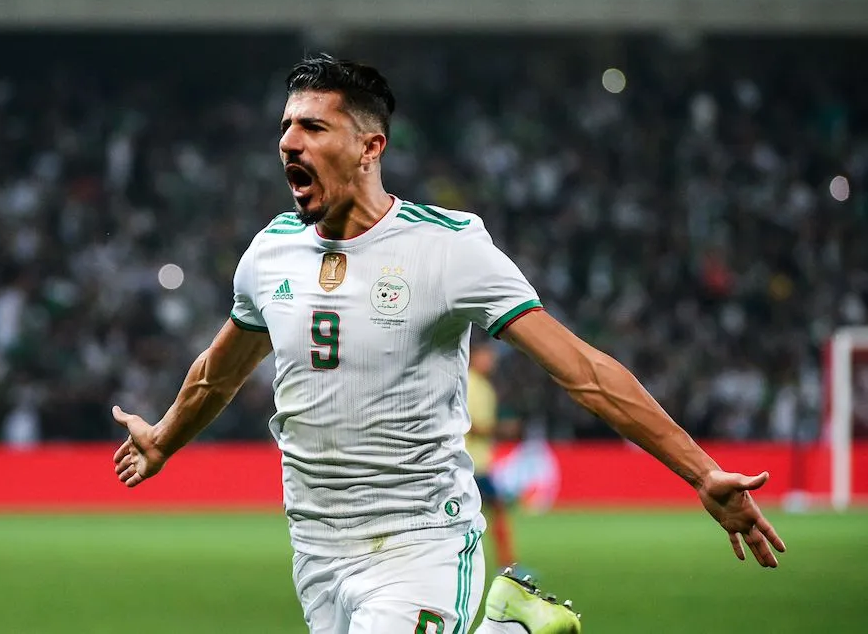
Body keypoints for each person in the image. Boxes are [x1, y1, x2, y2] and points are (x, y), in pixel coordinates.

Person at [111, 54, 786, 634]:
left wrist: (701, 472)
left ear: (370, 147)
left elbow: (581, 370)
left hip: (420, 542)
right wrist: (165, 438)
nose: (289, 142)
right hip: (315, 549)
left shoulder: (447, 248)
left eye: (313, 127)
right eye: (286, 126)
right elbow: (220, 370)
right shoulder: (270, 253)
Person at [466, 337, 516, 567]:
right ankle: (506, 564)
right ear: (474, 357)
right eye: (486, 356)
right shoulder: (469, 384)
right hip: (470, 463)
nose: (491, 360)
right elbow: (469, 424)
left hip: (481, 463)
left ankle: (506, 563)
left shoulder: (484, 386)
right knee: (493, 510)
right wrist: (500, 430)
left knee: (495, 510)